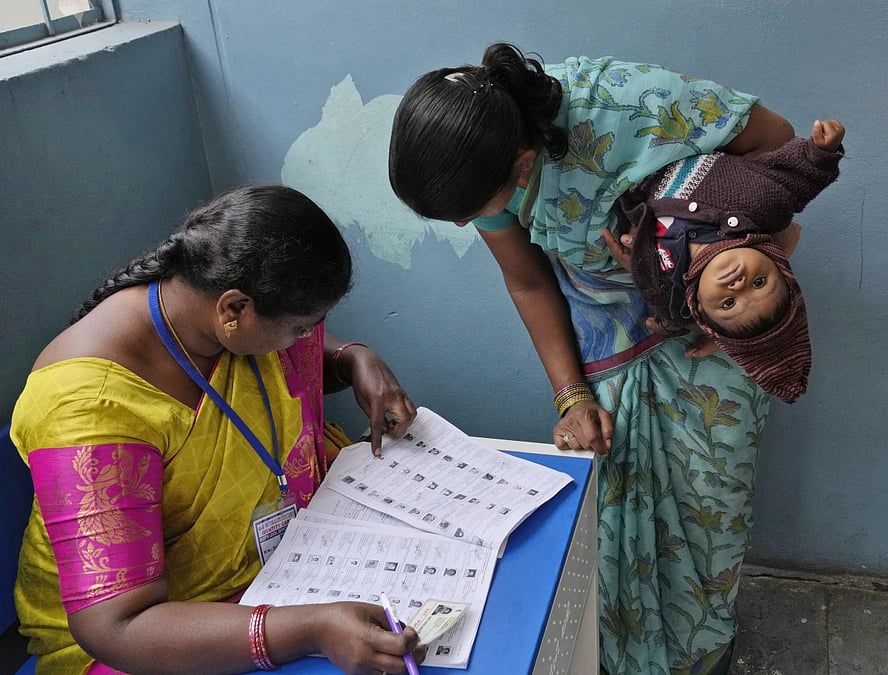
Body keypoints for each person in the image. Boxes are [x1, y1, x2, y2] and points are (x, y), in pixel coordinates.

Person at [389, 43, 802, 674]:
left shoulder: (636, 104)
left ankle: (702, 658)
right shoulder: (478, 156)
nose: (473, 222)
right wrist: (571, 394)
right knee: (610, 522)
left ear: (524, 161)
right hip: (604, 351)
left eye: (473, 212)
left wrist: (734, 281)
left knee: (707, 517)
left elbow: (780, 149)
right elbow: (529, 281)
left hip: (710, 339)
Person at [10, 185, 424, 674]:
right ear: (233, 311)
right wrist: (309, 629)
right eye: (300, 326)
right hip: (157, 639)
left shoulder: (210, 306)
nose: (307, 338)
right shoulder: (89, 410)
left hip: (289, 565)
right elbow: (117, 627)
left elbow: (299, 354)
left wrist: (354, 358)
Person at [606, 119, 846, 403]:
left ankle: (718, 337)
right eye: (759, 282)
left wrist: (633, 256)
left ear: (698, 305)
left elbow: (668, 306)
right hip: (679, 131)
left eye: (729, 302)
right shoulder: (761, 204)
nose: (738, 285)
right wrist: (823, 151)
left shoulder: (666, 283)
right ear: (778, 263)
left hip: (628, 162)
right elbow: (796, 180)